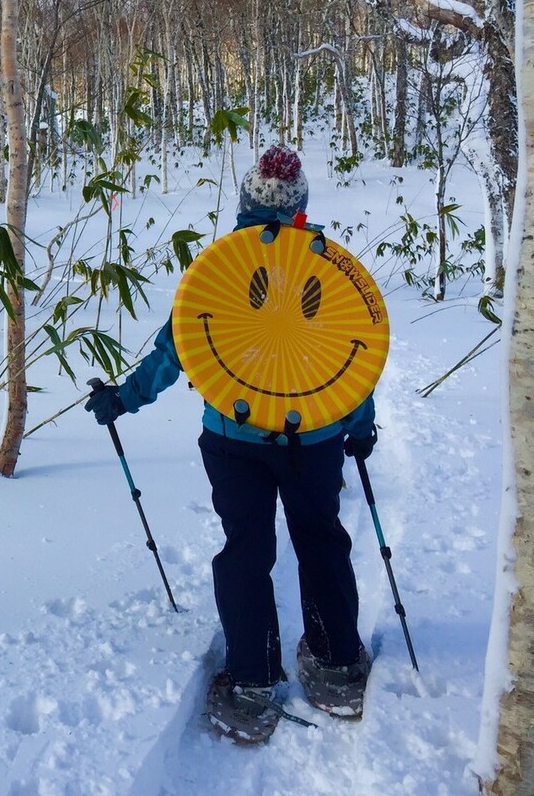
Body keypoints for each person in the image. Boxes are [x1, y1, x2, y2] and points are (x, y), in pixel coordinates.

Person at [85, 145, 377, 744]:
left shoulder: (220, 270)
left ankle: (252, 682)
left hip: (233, 440)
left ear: (243, 204)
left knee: (247, 550)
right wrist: (359, 424)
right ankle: (338, 663)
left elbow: (177, 348)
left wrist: (124, 397)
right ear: (301, 207)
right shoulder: (324, 266)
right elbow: (351, 354)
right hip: (315, 436)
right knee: (320, 539)